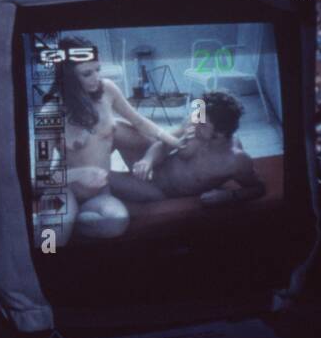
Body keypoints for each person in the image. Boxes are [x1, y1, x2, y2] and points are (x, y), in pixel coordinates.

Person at [50, 35, 184, 242]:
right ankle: (68, 219)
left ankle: (79, 222)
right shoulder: (51, 110)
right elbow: (39, 179)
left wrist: (170, 138)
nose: (96, 78)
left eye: (97, 70)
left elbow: (138, 121)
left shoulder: (107, 90)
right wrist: (79, 173)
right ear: (67, 76)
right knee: (55, 238)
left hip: (101, 191)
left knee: (117, 222)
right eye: (87, 74)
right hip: (67, 188)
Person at [107, 90, 266, 207]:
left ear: (220, 133)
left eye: (203, 124)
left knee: (101, 177)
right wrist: (148, 160)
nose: (194, 123)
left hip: (158, 190)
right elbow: (163, 144)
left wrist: (229, 195)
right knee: (112, 127)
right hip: (152, 163)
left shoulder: (235, 160)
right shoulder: (197, 120)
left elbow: (258, 188)